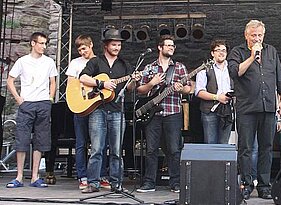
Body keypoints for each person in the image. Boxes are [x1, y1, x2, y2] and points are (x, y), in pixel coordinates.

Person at [227, 19, 281, 200]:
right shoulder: (238, 52)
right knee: (245, 148)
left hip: (268, 106)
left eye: (260, 35)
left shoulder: (271, 51)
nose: (257, 39)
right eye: (253, 35)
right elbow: (235, 72)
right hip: (246, 107)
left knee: (266, 148)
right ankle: (246, 183)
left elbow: (278, 77)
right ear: (246, 35)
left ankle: (264, 185)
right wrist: (252, 57)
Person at [79, 29, 138, 193]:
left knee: (117, 150)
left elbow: (130, 88)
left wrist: (133, 80)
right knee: (97, 149)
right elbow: (83, 78)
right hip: (98, 109)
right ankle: (93, 183)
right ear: (106, 45)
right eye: (114, 44)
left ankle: (116, 183)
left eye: (119, 44)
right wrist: (102, 84)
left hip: (118, 111)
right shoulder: (96, 62)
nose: (117, 47)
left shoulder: (125, 65)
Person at [136, 34, 191, 193]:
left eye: (173, 46)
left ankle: (176, 182)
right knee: (151, 149)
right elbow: (139, 90)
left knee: (174, 149)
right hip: (153, 114)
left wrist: (183, 89)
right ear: (160, 47)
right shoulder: (150, 67)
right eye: (168, 45)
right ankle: (149, 182)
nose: (171, 48)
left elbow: (189, 88)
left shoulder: (179, 67)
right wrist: (151, 83)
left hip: (173, 111)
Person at [6, 32, 58, 188]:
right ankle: (19, 176)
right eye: (41, 43)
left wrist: (50, 98)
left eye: (45, 43)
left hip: (43, 103)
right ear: (33, 43)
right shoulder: (23, 61)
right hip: (26, 102)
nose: (43, 46)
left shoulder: (49, 62)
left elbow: (53, 82)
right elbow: (10, 80)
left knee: (40, 141)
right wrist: (18, 99)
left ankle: (35, 176)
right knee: (22, 139)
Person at [65, 35, 110, 190]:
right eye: (79, 50)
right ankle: (82, 176)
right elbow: (71, 85)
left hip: (97, 106)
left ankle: (100, 175)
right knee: (81, 142)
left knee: (101, 143)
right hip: (80, 104)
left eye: (84, 48)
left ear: (91, 45)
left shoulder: (100, 62)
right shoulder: (75, 63)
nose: (82, 52)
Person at [195, 39, 233, 144]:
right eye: (218, 50)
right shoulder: (204, 68)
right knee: (210, 145)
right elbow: (199, 91)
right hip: (209, 112)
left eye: (224, 50)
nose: (221, 53)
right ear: (212, 53)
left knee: (224, 144)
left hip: (227, 111)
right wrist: (217, 97)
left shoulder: (232, 68)